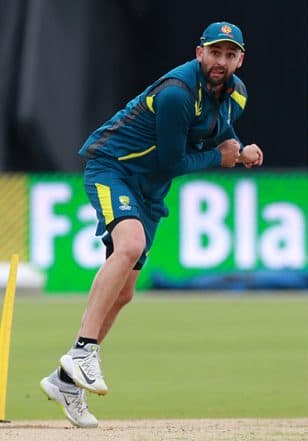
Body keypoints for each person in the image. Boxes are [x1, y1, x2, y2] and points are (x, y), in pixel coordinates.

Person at [39, 21, 263, 428]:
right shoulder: (177, 93)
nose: (221, 61)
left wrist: (240, 150)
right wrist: (221, 158)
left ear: (240, 59)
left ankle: (65, 383)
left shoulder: (237, 94)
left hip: (149, 190)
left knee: (124, 294)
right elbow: (172, 161)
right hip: (113, 168)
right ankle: (82, 352)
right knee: (129, 245)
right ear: (200, 53)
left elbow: (220, 133)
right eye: (215, 52)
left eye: (230, 55)